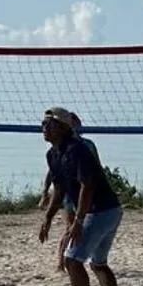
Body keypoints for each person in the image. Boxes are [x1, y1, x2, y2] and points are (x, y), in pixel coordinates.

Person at [37, 109, 131, 286]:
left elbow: (88, 186)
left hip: (100, 210)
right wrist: (47, 218)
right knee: (98, 264)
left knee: (72, 260)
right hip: (107, 211)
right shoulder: (53, 154)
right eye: (42, 124)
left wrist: (78, 221)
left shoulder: (77, 150)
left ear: (62, 127)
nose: (43, 128)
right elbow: (59, 189)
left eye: (48, 124)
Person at [39, 108, 84, 271]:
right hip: (67, 195)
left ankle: (74, 259)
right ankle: (61, 261)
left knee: (79, 226)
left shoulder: (84, 146)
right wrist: (45, 193)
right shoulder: (55, 151)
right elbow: (52, 173)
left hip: (82, 194)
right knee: (70, 226)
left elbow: (96, 170)